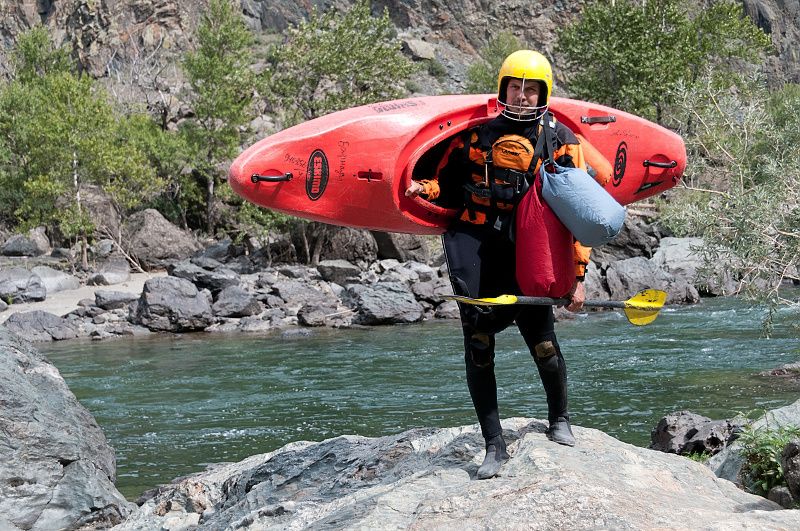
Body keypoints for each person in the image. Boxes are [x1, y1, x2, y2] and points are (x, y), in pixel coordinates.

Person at [405, 50, 591, 479]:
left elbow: (578, 216)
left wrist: (577, 277)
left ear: (544, 93)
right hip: (478, 243)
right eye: (515, 87)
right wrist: (421, 188)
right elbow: (444, 183)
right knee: (478, 343)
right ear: (503, 88)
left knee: (541, 341)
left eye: (531, 89)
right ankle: (494, 445)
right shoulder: (475, 136)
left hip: (530, 246)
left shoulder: (561, 141)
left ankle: (559, 419)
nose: (523, 96)